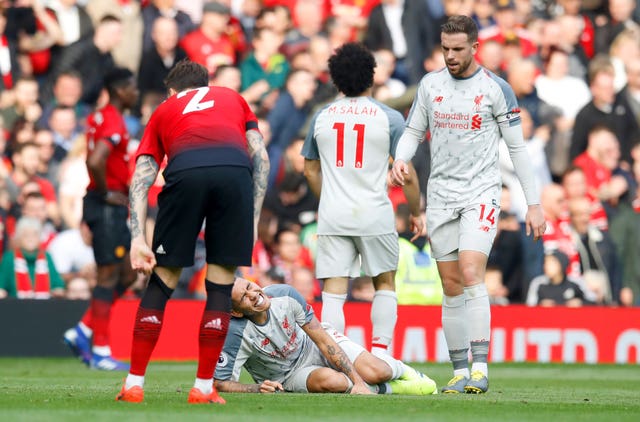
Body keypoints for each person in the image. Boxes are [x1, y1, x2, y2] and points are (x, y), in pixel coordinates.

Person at [390, 15, 546, 394]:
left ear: (475, 47)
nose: (451, 56)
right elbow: (413, 130)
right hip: (440, 195)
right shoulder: (430, 85)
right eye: (445, 49)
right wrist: (400, 157)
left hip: (481, 193)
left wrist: (534, 203)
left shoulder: (496, 89)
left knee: (472, 270)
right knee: (451, 284)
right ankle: (459, 371)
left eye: (458, 49)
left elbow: (517, 149)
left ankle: (481, 368)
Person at [117, 59, 269, 404]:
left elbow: (143, 174)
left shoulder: (165, 109)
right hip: (234, 174)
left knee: (163, 279)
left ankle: (133, 384)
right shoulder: (232, 97)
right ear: (206, 84)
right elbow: (260, 157)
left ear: (173, 91)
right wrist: (253, 218)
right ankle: (203, 388)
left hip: (186, 172)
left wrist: (138, 238)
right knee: (220, 285)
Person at [302, 42, 423, 357]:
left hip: (333, 214)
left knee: (334, 290)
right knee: (384, 282)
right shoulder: (390, 118)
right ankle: (381, 354)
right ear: (372, 76)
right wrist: (416, 211)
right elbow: (406, 173)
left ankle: (335, 358)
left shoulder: (321, 117)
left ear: (335, 80)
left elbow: (310, 170)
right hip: (374, 213)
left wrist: (326, 198)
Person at [214, 279, 437, 395]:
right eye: (244, 297)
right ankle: (391, 389)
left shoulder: (285, 295)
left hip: (312, 344)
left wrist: (359, 383)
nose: (254, 295)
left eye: (250, 287)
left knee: (377, 371)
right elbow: (220, 383)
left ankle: (405, 371)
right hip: (290, 375)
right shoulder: (234, 334)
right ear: (236, 312)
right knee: (334, 382)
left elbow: (321, 339)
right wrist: (258, 388)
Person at [62, 67, 139, 371]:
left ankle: (83, 330)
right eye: (131, 87)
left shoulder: (98, 116)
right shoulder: (113, 120)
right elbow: (95, 161)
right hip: (106, 204)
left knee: (129, 274)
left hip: (105, 204)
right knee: (108, 277)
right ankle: (102, 352)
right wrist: (106, 192)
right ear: (120, 90)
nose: (135, 92)